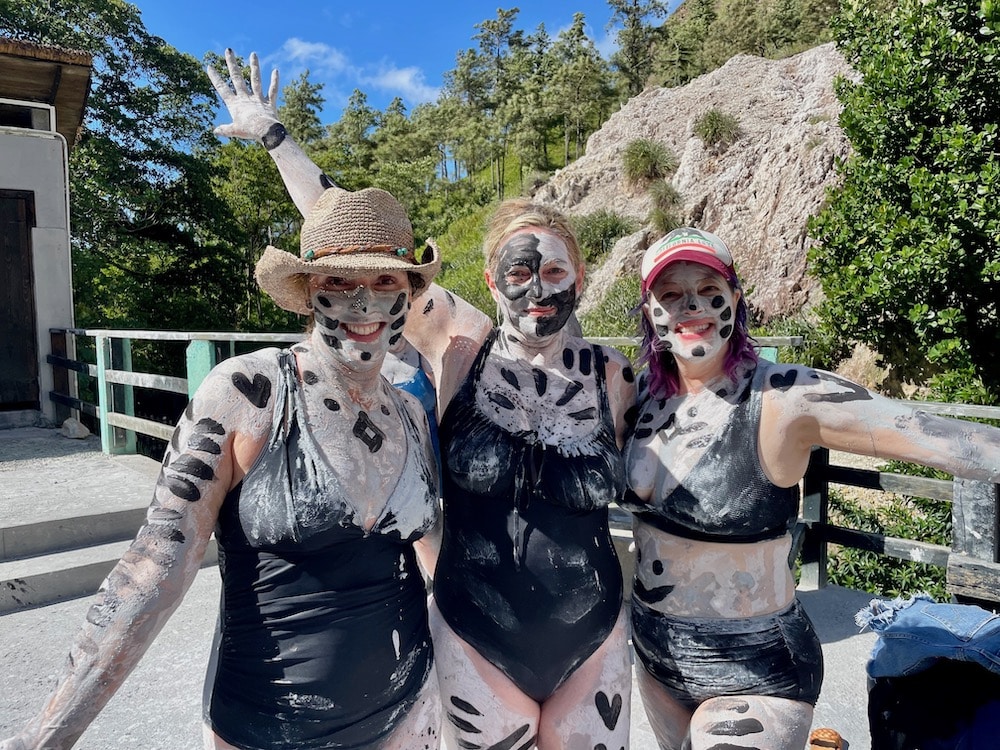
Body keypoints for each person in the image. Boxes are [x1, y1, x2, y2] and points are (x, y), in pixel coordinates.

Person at [206, 49, 638, 750]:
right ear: (494, 283)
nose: (538, 285)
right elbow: (356, 248)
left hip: (594, 641)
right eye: (519, 270)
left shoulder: (614, 376)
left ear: (580, 277)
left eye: (555, 268)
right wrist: (276, 138)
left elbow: (682, 447)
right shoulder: (462, 345)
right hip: (475, 635)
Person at [1, 185, 444, 750]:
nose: (365, 303)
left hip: (409, 714)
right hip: (266, 725)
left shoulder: (407, 410)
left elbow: (431, 549)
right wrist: (48, 735)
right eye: (339, 281)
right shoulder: (248, 394)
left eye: (385, 281)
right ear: (309, 291)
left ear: (410, 292)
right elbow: (153, 565)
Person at [624, 227, 1000, 750]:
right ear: (650, 312)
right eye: (669, 293)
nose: (690, 304)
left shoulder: (787, 398)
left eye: (707, 286)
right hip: (656, 654)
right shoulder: (637, 396)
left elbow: (938, 437)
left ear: (736, 298)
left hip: (754, 663)